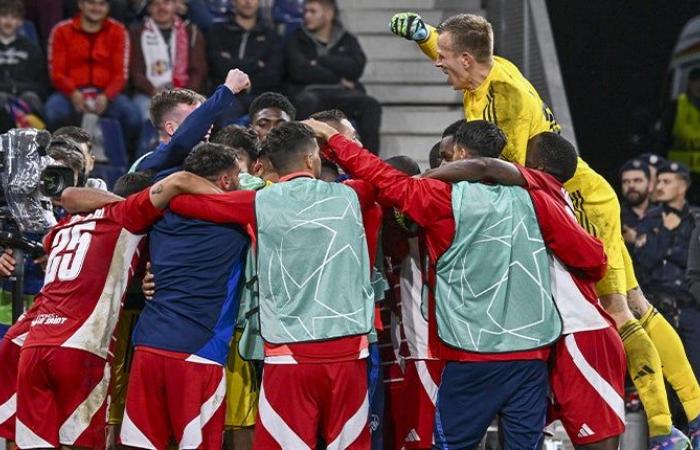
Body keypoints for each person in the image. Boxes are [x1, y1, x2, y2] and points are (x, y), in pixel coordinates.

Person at [389, 12, 698, 446]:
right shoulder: (483, 70)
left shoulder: (507, 96)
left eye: (442, 56)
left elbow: (507, 171)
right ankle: (693, 414)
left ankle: (665, 428)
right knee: (636, 305)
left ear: (463, 58)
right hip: (574, 195)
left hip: (578, 201)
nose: (437, 62)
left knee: (622, 311)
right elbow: (459, 47)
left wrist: (426, 183)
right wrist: (425, 37)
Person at [307, 118, 571, 449]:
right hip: (532, 356)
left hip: (473, 357)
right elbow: (592, 258)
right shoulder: (536, 197)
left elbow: (385, 178)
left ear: (460, 152)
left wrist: (334, 139)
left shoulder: (442, 197)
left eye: (446, 157)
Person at [167, 122, 380, 450]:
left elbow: (182, 204)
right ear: (311, 159)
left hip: (286, 353)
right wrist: (334, 139)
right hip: (348, 350)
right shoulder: (354, 194)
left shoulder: (256, 202)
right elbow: (380, 176)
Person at [423, 129, 628, 449]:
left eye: (525, 161)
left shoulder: (542, 193)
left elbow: (595, 259)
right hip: (543, 337)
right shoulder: (526, 199)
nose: (517, 165)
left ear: (540, 170)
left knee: (596, 441)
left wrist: (424, 179)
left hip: (582, 333)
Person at [9, 169, 217, 449]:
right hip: (80, 345)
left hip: (35, 345)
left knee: (34, 443)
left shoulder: (64, 226)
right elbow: (180, 180)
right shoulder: (128, 214)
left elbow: (67, 197)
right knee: (82, 442)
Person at [118, 144, 248, 450]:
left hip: (148, 344)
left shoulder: (160, 212)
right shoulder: (239, 215)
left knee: (142, 445)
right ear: (226, 180)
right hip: (200, 349)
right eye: (238, 176)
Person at [284, 0, 381, 154]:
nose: (306, 16)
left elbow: (356, 67)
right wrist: (338, 78)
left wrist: (320, 60)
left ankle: (369, 160)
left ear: (329, 14)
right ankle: (303, 155)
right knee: (306, 101)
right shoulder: (295, 39)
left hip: (342, 93)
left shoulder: (346, 39)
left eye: (312, 11)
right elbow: (300, 70)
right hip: (311, 92)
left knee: (371, 105)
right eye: (306, 12)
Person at [634, 163, 700, 385]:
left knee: (696, 371)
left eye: (667, 182)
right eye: (659, 181)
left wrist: (665, 246)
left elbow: (691, 262)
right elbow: (644, 261)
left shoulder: (697, 219)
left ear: (683, 186)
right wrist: (666, 233)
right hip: (657, 308)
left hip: (691, 307)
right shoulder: (649, 219)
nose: (659, 186)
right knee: (660, 377)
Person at [45, 0, 142, 141]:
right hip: (71, 93)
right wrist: (72, 93)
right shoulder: (61, 30)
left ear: (108, 7)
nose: (96, 8)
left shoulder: (118, 31)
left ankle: (121, 159)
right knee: (53, 111)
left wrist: (106, 96)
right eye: (91, 3)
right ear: (81, 4)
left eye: (102, 4)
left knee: (132, 116)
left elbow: (120, 75)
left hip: (106, 94)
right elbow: (57, 73)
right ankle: (60, 155)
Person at [131, 68, 251, 176]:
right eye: (195, 118)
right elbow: (180, 143)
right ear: (171, 128)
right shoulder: (150, 161)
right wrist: (228, 89)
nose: (208, 126)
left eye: (204, 119)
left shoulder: (211, 164)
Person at [206, 0, 282, 126]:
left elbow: (274, 74)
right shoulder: (218, 32)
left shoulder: (271, 37)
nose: (248, 2)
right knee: (227, 122)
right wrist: (257, 64)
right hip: (226, 96)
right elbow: (218, 67)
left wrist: (233, 63)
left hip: (260, 95)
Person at [130, 0, 208, 121]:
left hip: (187, 92)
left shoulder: (191, 32)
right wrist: (154, 91)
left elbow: (198, 70)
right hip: (148, 94)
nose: (161, 8)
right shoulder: (137, 33)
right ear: (149, 9)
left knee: (203, 112)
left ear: (175, 6)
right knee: (147, 114)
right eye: (156, 4)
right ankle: (153, 140)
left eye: (166, 3)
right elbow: (135, 72)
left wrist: (185, 94)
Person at [0, 0, 47, 128]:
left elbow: (42, 84)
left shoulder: (32, 49)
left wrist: (16, 89)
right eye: (4, 16)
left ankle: (34, 143)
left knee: (31, 98)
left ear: (21, 22)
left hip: (26, 96)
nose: (8, 21)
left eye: (14, 17)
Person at [658, 67, 700, 198]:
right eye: (696, 81)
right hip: (678, 174)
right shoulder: (676, 106)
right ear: (689, 84)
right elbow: (662, 140)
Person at [621, 158, 655, 247]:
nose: (631, 186)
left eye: (637, 180)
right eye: (626, 182)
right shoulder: (615, 216)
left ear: (650, 185)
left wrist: (636, 240)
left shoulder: (664, 217)